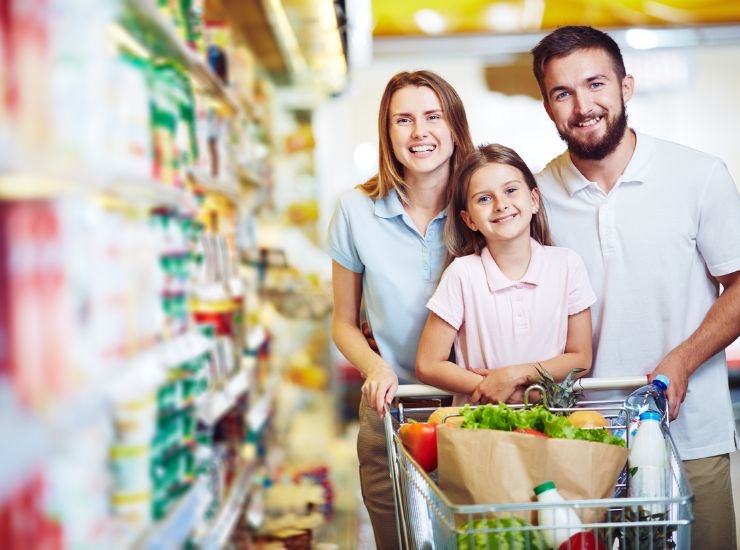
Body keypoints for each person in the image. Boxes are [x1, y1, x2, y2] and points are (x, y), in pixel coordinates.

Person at [531, 25, 740, 549]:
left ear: (626, 86)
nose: (583, 105)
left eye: (596, 84)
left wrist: (685, 359)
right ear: (548, 108)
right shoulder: (534, 200)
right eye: (563, 93)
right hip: (582, 446)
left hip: (690, 436)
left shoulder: (699, 176)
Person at [327, 70, 475, 549]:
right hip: (392, 414)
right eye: (403, 120)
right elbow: (344, 322)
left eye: (432, 116)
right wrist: (375, 367)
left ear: (454, 125)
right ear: (386, 133)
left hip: (476, 411)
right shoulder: (356, 210)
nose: (419, 133)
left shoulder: (484, 203)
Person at [416, 143, 595, 406]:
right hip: (479, 430)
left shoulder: (567, 265)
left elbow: (580, 358)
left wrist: (514, 376)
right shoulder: (462, 274)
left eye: (511, 190)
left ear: (534, 201)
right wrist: (493, 389)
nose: (501, 205)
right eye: (484, 199)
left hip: (551, 428)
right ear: (469, 220)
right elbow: (428, 364)